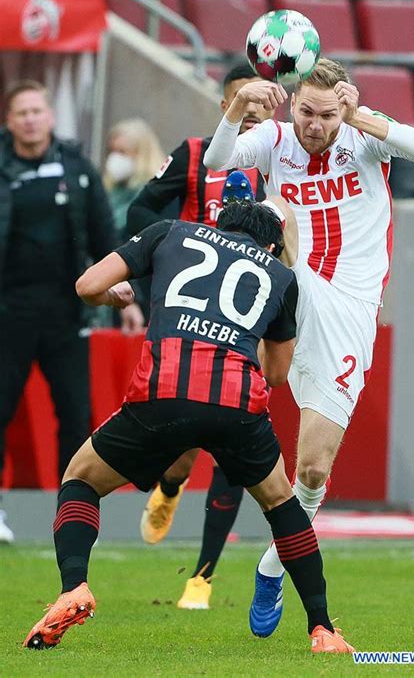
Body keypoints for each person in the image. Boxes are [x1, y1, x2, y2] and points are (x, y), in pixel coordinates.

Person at [22, 200, 353, 655]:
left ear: (217, 225)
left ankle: (74, 587)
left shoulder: (169, 232)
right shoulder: (281, 276)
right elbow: (277, 374)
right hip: (235, 404)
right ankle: (323, 629)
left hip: (163, 393)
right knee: (281, 504)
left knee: (81, 478)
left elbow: (86, 286)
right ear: (273, 245)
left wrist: (113, 297)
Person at [203, 57, 414, 639]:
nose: (313, 123)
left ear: (344, 106)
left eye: (326, 113)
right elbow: (214, 160)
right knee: (267, 214)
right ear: (294, 105)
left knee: (311, 467)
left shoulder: (363, 137)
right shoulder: (275, 140)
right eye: (306, 111)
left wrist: (365, 118)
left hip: (352, 308)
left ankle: (270, 568)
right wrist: (237, 109)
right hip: (293, 285)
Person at [127, 63, 277, 610]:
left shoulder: (280, 159)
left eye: (263, 101)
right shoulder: (196, 154)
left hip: (250, 311)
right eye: (244, 100)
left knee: (235, 433)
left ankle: (203, 578)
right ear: (225, 108)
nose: (254, 110)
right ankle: (170, 485)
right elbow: (142, 207)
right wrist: (155, 268)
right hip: (193, 307)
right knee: (186, 436)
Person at [0, 80, 120, 543]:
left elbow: (105, 237)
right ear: (9, 121)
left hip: (67, 316)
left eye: (36, 110)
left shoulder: (77, 169)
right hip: (8, 313)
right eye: (21, 112)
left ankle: (71, 515)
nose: (30, 119)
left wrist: (123, 288)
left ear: (50, 116)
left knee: (75, 414)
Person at [101, 117, 173, 330]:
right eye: (112, 151)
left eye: (123, 152)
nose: (115, 158)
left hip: (147, 291)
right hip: (114, 287)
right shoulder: (108, 193)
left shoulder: (157, 196)